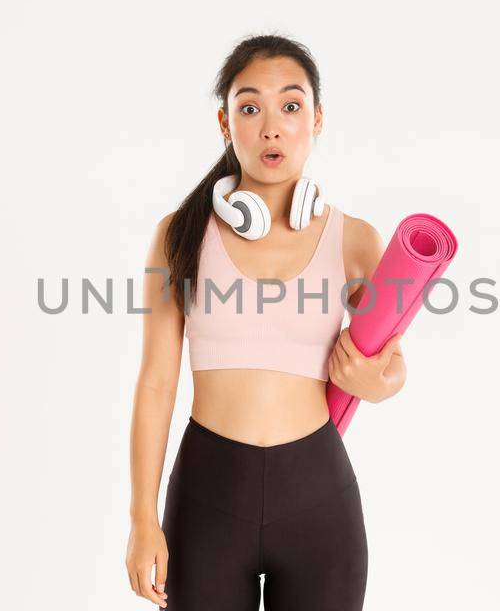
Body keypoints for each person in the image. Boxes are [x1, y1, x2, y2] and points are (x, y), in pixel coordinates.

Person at [124, 34, 408, 610]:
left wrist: (372, 382)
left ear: (318, 119)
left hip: (319, 501)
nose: (272, 127)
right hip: (206, 498)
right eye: (250, 107)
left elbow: (394, 367)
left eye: (291, 105)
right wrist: (141, 520)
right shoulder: (180, 234)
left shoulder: (354, 240)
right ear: (226, 124)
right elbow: (156, 383)